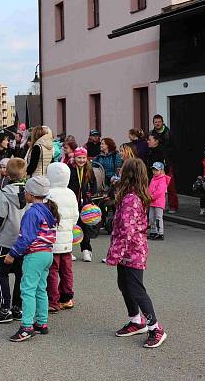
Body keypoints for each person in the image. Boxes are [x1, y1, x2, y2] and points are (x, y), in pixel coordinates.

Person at [105, 158, 167, 349]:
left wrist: (114, 254)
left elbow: (127, 230)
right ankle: (136, 320)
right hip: (126, 250)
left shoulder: (132, 199)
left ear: (129, 174)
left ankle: (155, 328)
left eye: (123, 170)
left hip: (132, 251)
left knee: (136, 289)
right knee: (124, 285)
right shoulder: (130, 194)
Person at [4, 175, 57, 342]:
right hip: (47, 254)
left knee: (27, 290)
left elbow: (25, 237)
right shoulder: (48, 210)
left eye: (26, 191)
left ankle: (26, 327)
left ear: (31, 194)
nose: (24, 193)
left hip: (34, 255)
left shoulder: (31, 212)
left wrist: (12, 254)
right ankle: (41, 322)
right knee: (41, 289)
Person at [0, 158, 29, 323]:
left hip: (6, 241)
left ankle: (5, 308)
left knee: (1, 273)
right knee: (20, 274)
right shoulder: (30, 193)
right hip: (24, 241)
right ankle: (18, 307)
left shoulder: (4, 193)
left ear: (7, 173)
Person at [45, 162, 79, 312]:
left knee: (52, 270)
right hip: (67, 238)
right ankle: (67, 297)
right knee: (67, 270)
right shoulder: (70, 193)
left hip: (52, 239)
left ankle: (53, 300)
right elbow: (75, 215)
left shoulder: (48, 194)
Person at [68, 147, 97, 262]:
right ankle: (68, 251)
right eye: (79, 157)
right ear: (74, 158)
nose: (81, 160)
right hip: (72, 201)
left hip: (85, 202)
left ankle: (86, 250)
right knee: (71, 226)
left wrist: (91, 193)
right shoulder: (70, 168)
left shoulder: (88, 168)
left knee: (85, 226)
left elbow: (93, 182)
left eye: (84, 158)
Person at [150, 115, 177, 213]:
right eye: (155, 122)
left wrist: (169, 157)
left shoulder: (168, 133)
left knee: (170, 185)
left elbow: (174, 147)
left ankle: (173, 206)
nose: (157, 124)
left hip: (167, 162)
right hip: (155, 163)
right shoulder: (151, 133)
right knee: (156, 186)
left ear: (162, 122)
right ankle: (159, 205)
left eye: (159, 122)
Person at [148, 162, 170, 240]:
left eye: (156, 170)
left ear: (161, 170)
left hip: (159, 202)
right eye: (153, 169)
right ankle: (153, 231)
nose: (154, 171)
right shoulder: (153, 179)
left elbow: (160, 191)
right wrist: (148, 195)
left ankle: (160, 233)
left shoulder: (163, 179)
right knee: (151, 217)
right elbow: (149, 188)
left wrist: (151, 196)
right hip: (152, 201)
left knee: (158, 217)